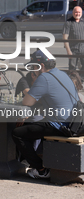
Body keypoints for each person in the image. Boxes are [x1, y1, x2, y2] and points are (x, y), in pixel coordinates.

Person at [12, 50, 78, 179]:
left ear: (41, 66)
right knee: (33, 125)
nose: (32, 71)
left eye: (33, 67)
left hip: (60, 125)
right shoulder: (62, 74)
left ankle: (41, 170)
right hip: (74, 123)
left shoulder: (44, 77)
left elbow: (27, 101)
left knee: (17, 133)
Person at [63, 6, 84, 81]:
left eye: (79, 12)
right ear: (73, 13)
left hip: (83, 48)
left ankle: (80, 80)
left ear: (81, 13)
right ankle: (73, 82)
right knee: (72, 68)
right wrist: (68, 51)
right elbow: (65, 38)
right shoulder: (68, 22)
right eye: (76, 12)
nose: (77, 13)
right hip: (73, 49)